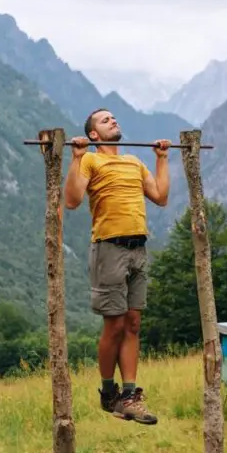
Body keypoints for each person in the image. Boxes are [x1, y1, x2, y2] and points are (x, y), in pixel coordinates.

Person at [64, 109, 171, 425]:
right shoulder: (90, 161)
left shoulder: (134, 163)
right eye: (104, 120)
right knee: (114, 324)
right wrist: (75, 157)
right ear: (94, 134)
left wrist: (162, 159)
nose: (113, 120)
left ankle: (129, 396)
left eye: (114, 117)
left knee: (133, 322)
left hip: (138, 247)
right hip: (109, 247)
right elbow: (71, 200)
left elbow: (161, 197)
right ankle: (109, 392)